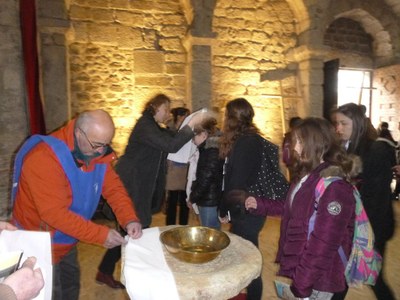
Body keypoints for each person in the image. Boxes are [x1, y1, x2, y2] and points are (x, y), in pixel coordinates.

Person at [11, 110, 143, 300]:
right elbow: (55, 215)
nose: (101, 151)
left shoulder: (95, 150)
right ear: (79, 133)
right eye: (97, 145)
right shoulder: (43, 158)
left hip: (66, 238)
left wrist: (129, 218)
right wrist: (100, 235)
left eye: (106, 145)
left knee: (71, 286)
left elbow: (113, 188)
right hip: (38, 242)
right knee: (50, 293)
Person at [97, 94, 205, 287]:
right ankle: (135, 276)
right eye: (165, 109)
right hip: (132, 184)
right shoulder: (145, 125)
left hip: (139, 184)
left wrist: (193, 134)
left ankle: (105, 271)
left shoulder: (153, 126)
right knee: (136, 229)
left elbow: (171, 138)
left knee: (130, 231)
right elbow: (169, 144)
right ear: (155, 108)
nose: (168, 114)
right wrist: (190, 126)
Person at [245, 117, 358, 300]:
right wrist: (261, 205)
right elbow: (294, 209)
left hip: (322, 279)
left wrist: (302, 284)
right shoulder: (307, 175)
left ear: (316, 143)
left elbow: (323, 242)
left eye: (299, 142)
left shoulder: (335, 188)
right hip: (307, 271)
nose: (295, 148)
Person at [332, 103, 396, 300]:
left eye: (344, 123)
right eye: (337, 123)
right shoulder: (347, 147)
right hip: (355, 226)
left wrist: (366, 235)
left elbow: (377, 199)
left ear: (358, 124)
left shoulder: (377, 150)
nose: (338, 128)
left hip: (371, 227)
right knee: (342, 274)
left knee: (374, 278)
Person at [218, 98, 278, 300]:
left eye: (227, 116)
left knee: (251, 262)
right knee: (246, 258)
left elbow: (237, 182)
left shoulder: (246, 142)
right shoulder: (248, 138)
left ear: (232, 118)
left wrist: (223, 209)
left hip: (247, 210)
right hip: (248, 208)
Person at [187, 118, 224, 229]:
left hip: (209, 200)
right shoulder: (209, 149)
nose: (192, 141)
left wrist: (193, 197)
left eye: (194, 137)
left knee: (209, 235)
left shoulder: (211, 151)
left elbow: (205, 179)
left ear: (203, 134)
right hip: (209, 198)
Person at [165, 107, 191, 225]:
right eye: (186, 115)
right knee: (172, 200)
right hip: (174, 169)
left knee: (185, 200)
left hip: (186, 168)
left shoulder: (189, 129)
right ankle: (170, 227)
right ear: (180, 117)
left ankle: (183, 227)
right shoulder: (169, 130)